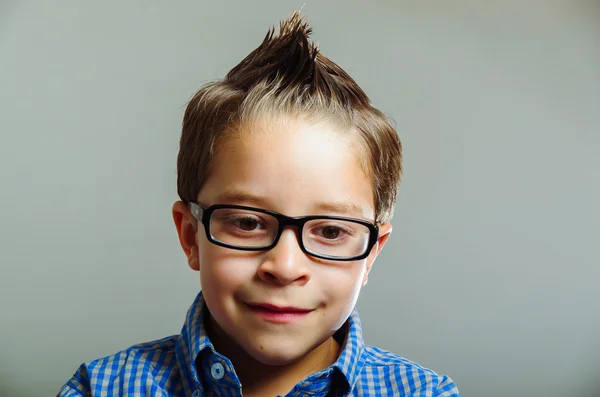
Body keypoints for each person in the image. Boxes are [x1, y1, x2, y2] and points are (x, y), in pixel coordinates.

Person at [58, 10, 461, 397]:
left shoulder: (426, 394)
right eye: (248, 223)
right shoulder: (101, 388)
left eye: (332, 231)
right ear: (190, 236)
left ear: (370, 254)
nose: (284, 268)